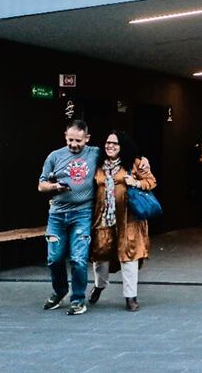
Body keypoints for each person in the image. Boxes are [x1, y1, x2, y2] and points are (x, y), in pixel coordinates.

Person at [37, 119, 101, 315]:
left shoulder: (94, 153)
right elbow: (41, 186)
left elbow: (119, 152)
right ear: (65, 137)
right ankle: (60, 291)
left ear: (87, 138)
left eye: (78, 141)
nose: (74, 144)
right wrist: (55, 186)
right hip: (57, 214)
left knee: (78, 259)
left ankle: (78, 299)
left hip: (82, 213)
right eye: (70, 140)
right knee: (54, 258)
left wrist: (142, 160)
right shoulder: (54, 156)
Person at [89, 130, 157, 311]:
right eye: (108, 142)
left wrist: (136, 183)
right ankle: (99, 286)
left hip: (129, 220)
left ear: (123, 146)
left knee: (129, 256)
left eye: (115, 143)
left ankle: (130, 297)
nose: (110, 146)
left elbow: (151, 181)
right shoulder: (97, 164)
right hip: (103, 218)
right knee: (100, 254)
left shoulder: (135, 163)